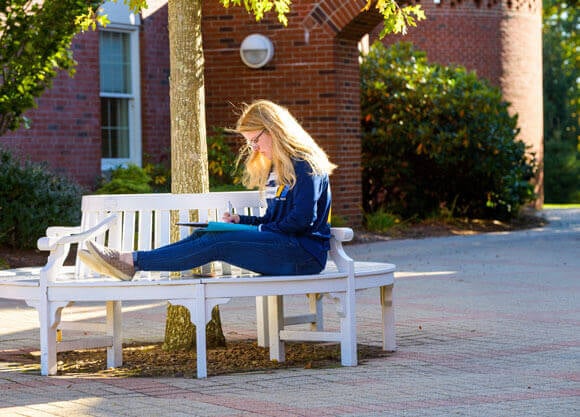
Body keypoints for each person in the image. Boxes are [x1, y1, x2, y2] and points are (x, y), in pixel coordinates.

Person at [80, 100, 337, 281]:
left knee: (217, 241)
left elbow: (303, 220)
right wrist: (243, 222)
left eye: (255, 140)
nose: (255, 148)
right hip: (285, 246)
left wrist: (255, 229)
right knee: (208, 232)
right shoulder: (278, 170)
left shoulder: (304, 164)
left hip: (303, 255)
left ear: (274, 130)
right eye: (250, 143)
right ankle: (130, 260)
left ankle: (130, 262)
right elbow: (275, 222)